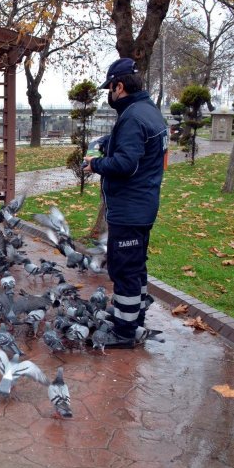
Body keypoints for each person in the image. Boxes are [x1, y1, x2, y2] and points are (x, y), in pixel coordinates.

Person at [82, 58, 168, 348]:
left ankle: (125, 332)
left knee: (124, 269)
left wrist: (96, 164)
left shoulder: (132, 116)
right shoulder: (149, 111)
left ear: (119, 86)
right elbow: (136, 147)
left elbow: (126, 164)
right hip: (142, 206)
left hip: (129, 209)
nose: (109, 94)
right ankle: (130, 316)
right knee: (136, 266)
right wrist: (108, 141)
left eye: (110, 88)